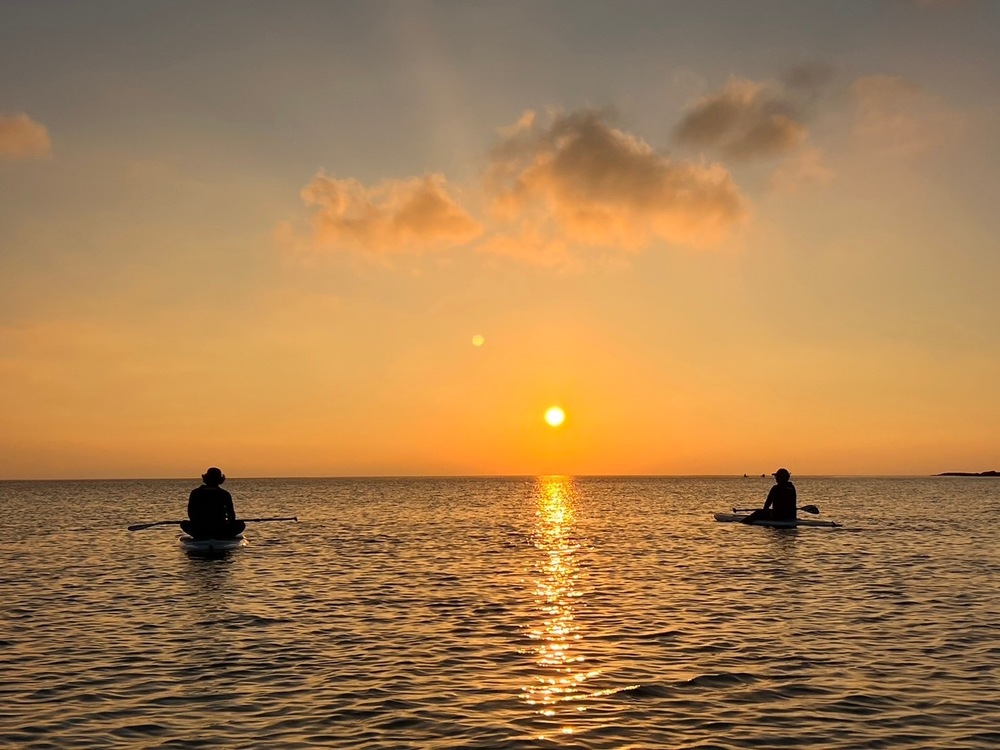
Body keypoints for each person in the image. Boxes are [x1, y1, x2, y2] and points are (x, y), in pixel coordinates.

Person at [181, 467, 246, 539]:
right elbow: (231, 514)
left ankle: (201, 535)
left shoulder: (195, 493)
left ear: (206, 479)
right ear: (220, 480)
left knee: (184, 524)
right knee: (241, 524)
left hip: (200, 530)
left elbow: (191, 512)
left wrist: (196, 524)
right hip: (221, 529)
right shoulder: (224, 494)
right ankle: (224, 535)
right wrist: (229, 525)